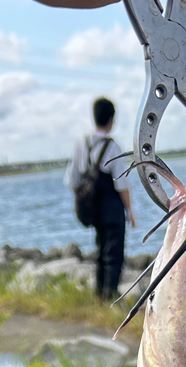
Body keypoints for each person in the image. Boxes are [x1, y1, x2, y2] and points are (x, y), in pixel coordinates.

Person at [65, 97, 137, 300]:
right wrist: (130, 211)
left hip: (93, 208)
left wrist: (82, 202)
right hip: (113, 209)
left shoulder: (82, 144)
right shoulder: (112, 147)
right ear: (111, 119)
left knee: (100, 251)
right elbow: (121, 184)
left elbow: (72, 179)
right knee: (114, 254)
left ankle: (99, 295)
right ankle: (110, 296)